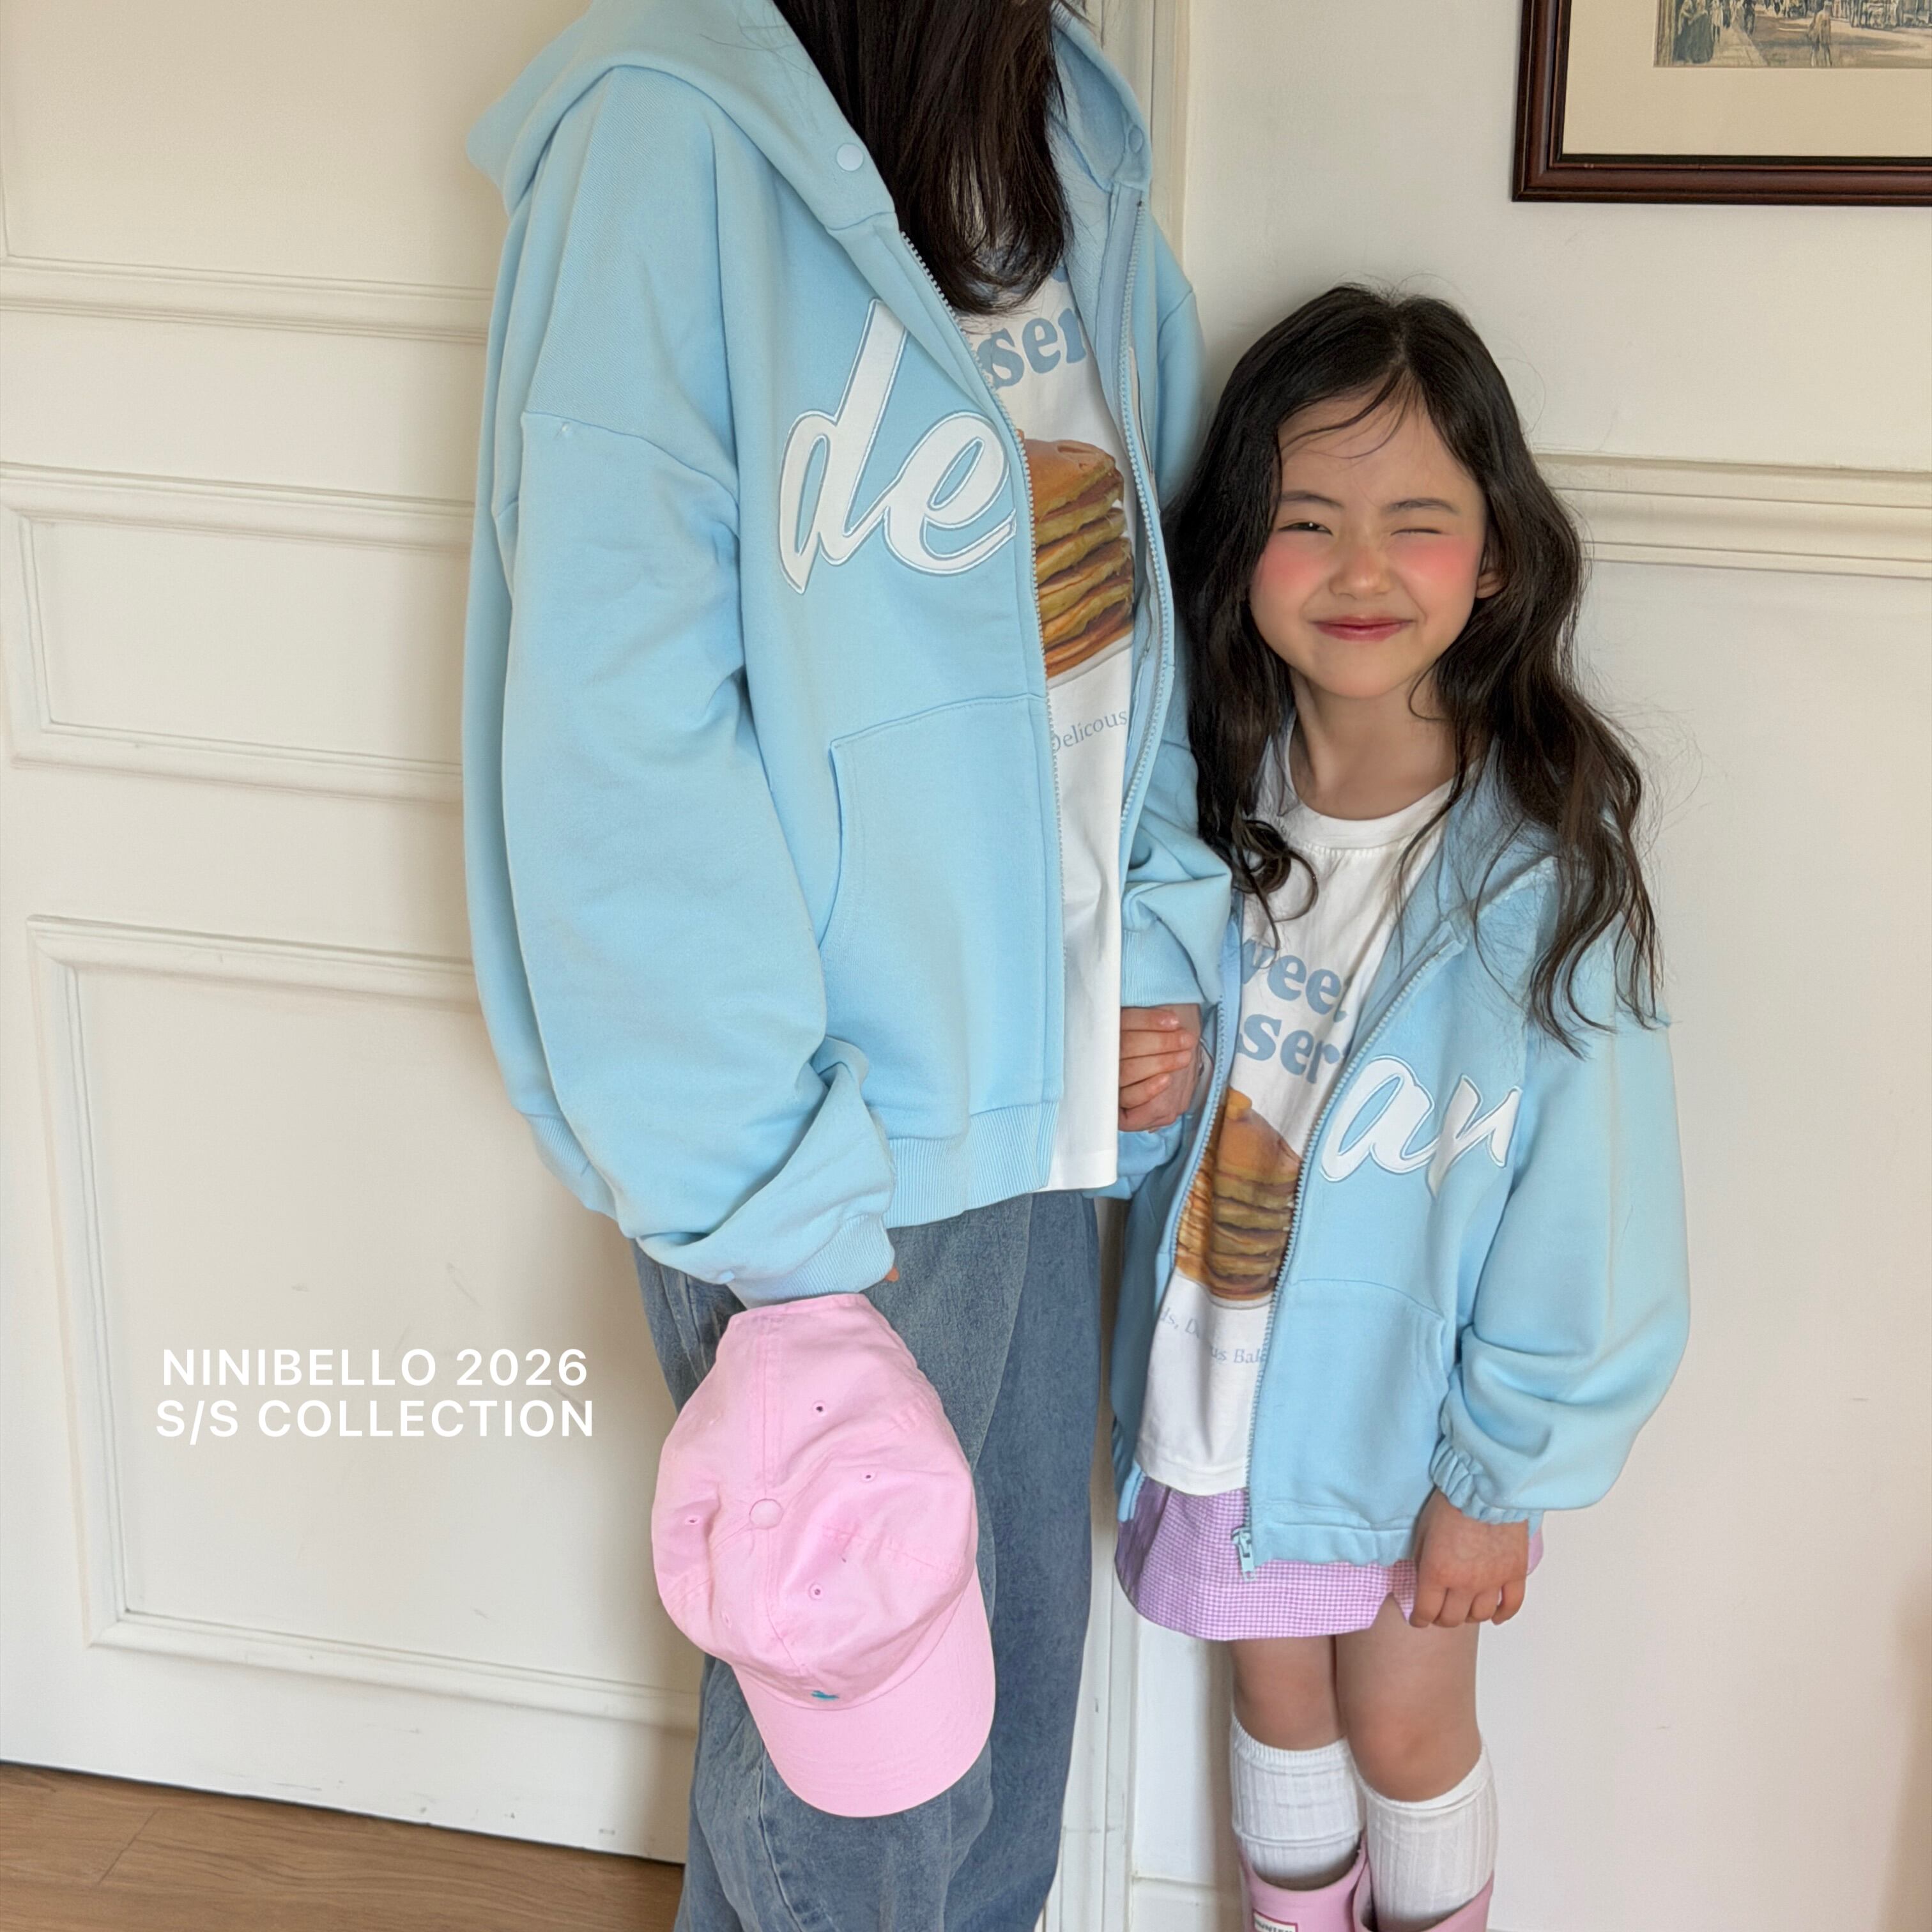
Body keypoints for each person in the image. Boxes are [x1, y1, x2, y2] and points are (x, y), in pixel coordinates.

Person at [458, 0, 1227, 1925]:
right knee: (859, 1798)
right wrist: (774, 1205)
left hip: (1048, 1088)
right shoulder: (663, 138)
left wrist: (1149, 936)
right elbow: (617, 743)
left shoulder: (1065, 125)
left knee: (1003, 1730)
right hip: (831, 1136)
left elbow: (1138, 606)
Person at [1107, 286, 1691, 1932]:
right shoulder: (1194, 827)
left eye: (1416, 520)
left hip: (1406, 1431)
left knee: (1404, 1727)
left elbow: (1592, 1223)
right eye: (1307, 518)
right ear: (1239, 546)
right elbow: (1148, 1153)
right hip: (1222, 1394)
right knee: (1278, 1708)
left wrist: (1496, 1477)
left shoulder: (1543, 880)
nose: (1360, 568)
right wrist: (1136, 1100)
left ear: (1494, 555)